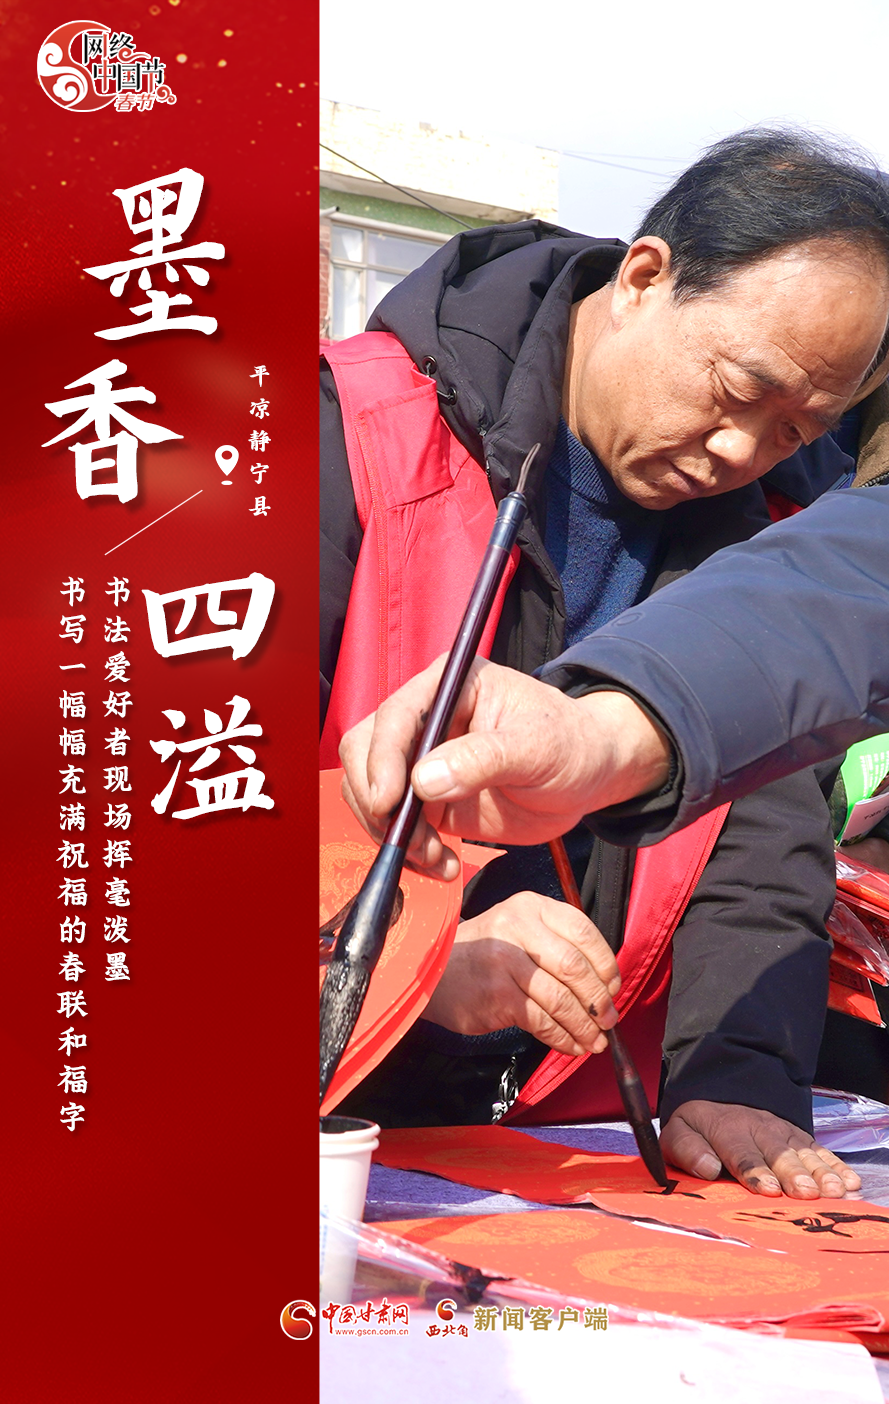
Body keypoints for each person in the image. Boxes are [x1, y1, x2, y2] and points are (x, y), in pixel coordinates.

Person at [323, 128, 889, 1197]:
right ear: (642, 277)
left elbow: (763, 839)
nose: (740, 450)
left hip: (564, 1134)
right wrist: (412, 961)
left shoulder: (778, 526)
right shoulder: (343, 435)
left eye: (793, 429)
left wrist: (737, 1078)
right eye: (738, 388)